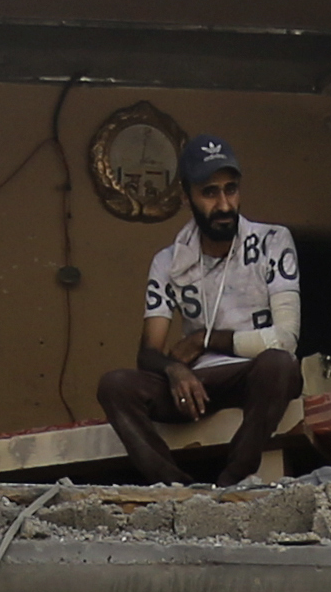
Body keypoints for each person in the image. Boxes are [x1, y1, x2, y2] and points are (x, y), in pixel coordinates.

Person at [97, 137, 302, 485]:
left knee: (280, 364)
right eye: (210, 193)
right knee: (115, 385)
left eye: (231, 190)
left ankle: (233, 477)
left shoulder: (272, 241)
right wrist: (175, 369)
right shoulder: (169, 260)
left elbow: (285, 340)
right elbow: (148, 353)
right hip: (196, 386)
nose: (224, 204)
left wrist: (204, 340)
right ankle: (175, 487)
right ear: (186, 197)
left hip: (254, 376)